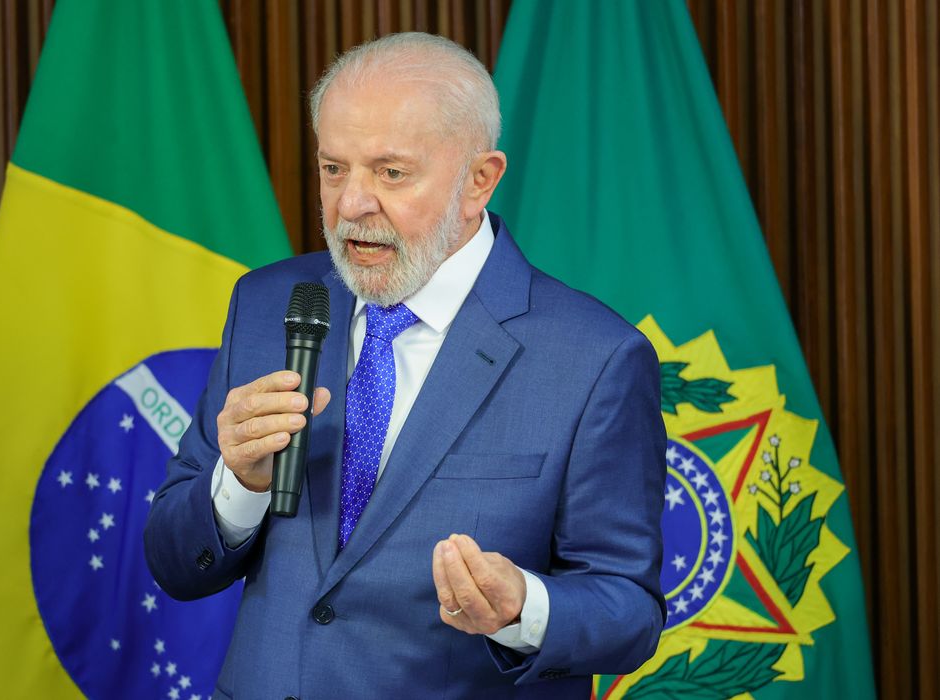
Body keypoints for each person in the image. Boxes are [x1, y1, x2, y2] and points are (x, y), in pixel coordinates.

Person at [145, 32, 666, 699]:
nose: (352, 204)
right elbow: (174, 563)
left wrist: (521, 609)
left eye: (391, 173)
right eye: (334, 169)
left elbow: (630, 613)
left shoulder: (595, 358)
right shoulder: (268, 303)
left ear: (480, 180)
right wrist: (237, 487)